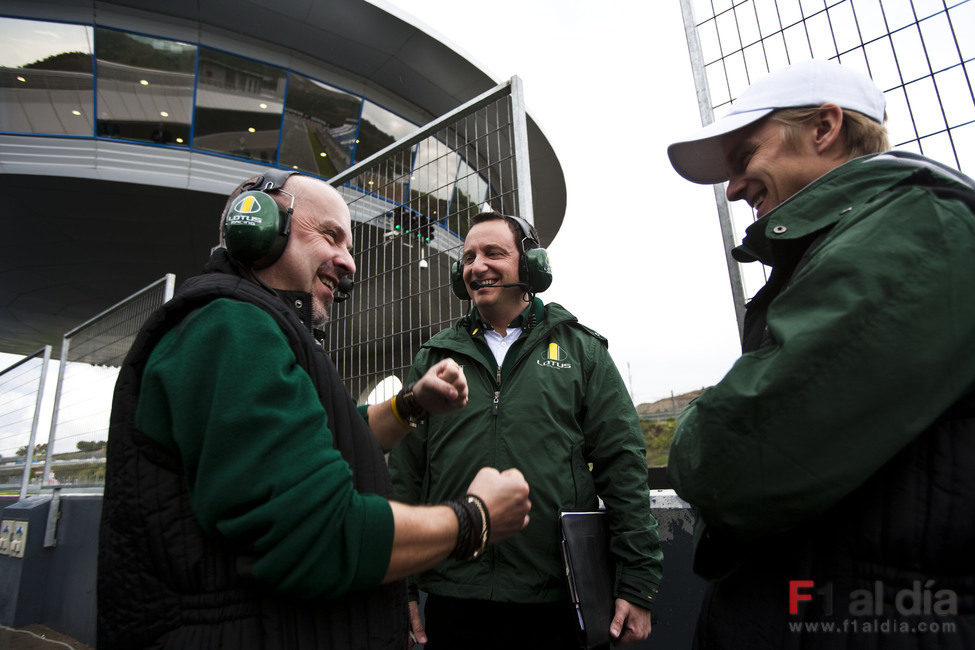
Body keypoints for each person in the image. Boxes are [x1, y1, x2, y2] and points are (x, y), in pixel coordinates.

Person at [97, 170, 533, 649]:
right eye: (330, 236)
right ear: (259, 225)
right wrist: (476, 519)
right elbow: (319, 535)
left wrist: (411, 405)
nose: (348, 261)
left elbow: (331, 437)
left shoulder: (253, 324)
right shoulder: (232, 326)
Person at [666, 59, 975, 647]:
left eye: (744, 157)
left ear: (825, 128)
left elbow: (731, 457)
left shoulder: (920, 225)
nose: (731, 189)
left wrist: (693, 432)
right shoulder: (854, 241)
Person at [388, 211, 663, 649]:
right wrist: (398, 589)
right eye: (468, 257)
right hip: (455, 597)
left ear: (532, 266)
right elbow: (404, 473)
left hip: (558, 598)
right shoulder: (434, 356)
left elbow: (623, 465)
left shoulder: (582, 350)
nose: (477, 266)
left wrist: (636, 581)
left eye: (493, 253)